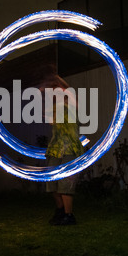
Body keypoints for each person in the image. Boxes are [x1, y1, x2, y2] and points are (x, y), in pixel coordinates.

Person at [39, 73, 84, 226]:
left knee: (65, 184)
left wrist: (56, 78)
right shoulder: (53, 109)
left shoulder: (73, 105)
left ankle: (69, 215)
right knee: (52, 183)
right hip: (55, 149)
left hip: (70, 149)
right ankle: (60, 211)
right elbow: (49, 119)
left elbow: (68, 90)